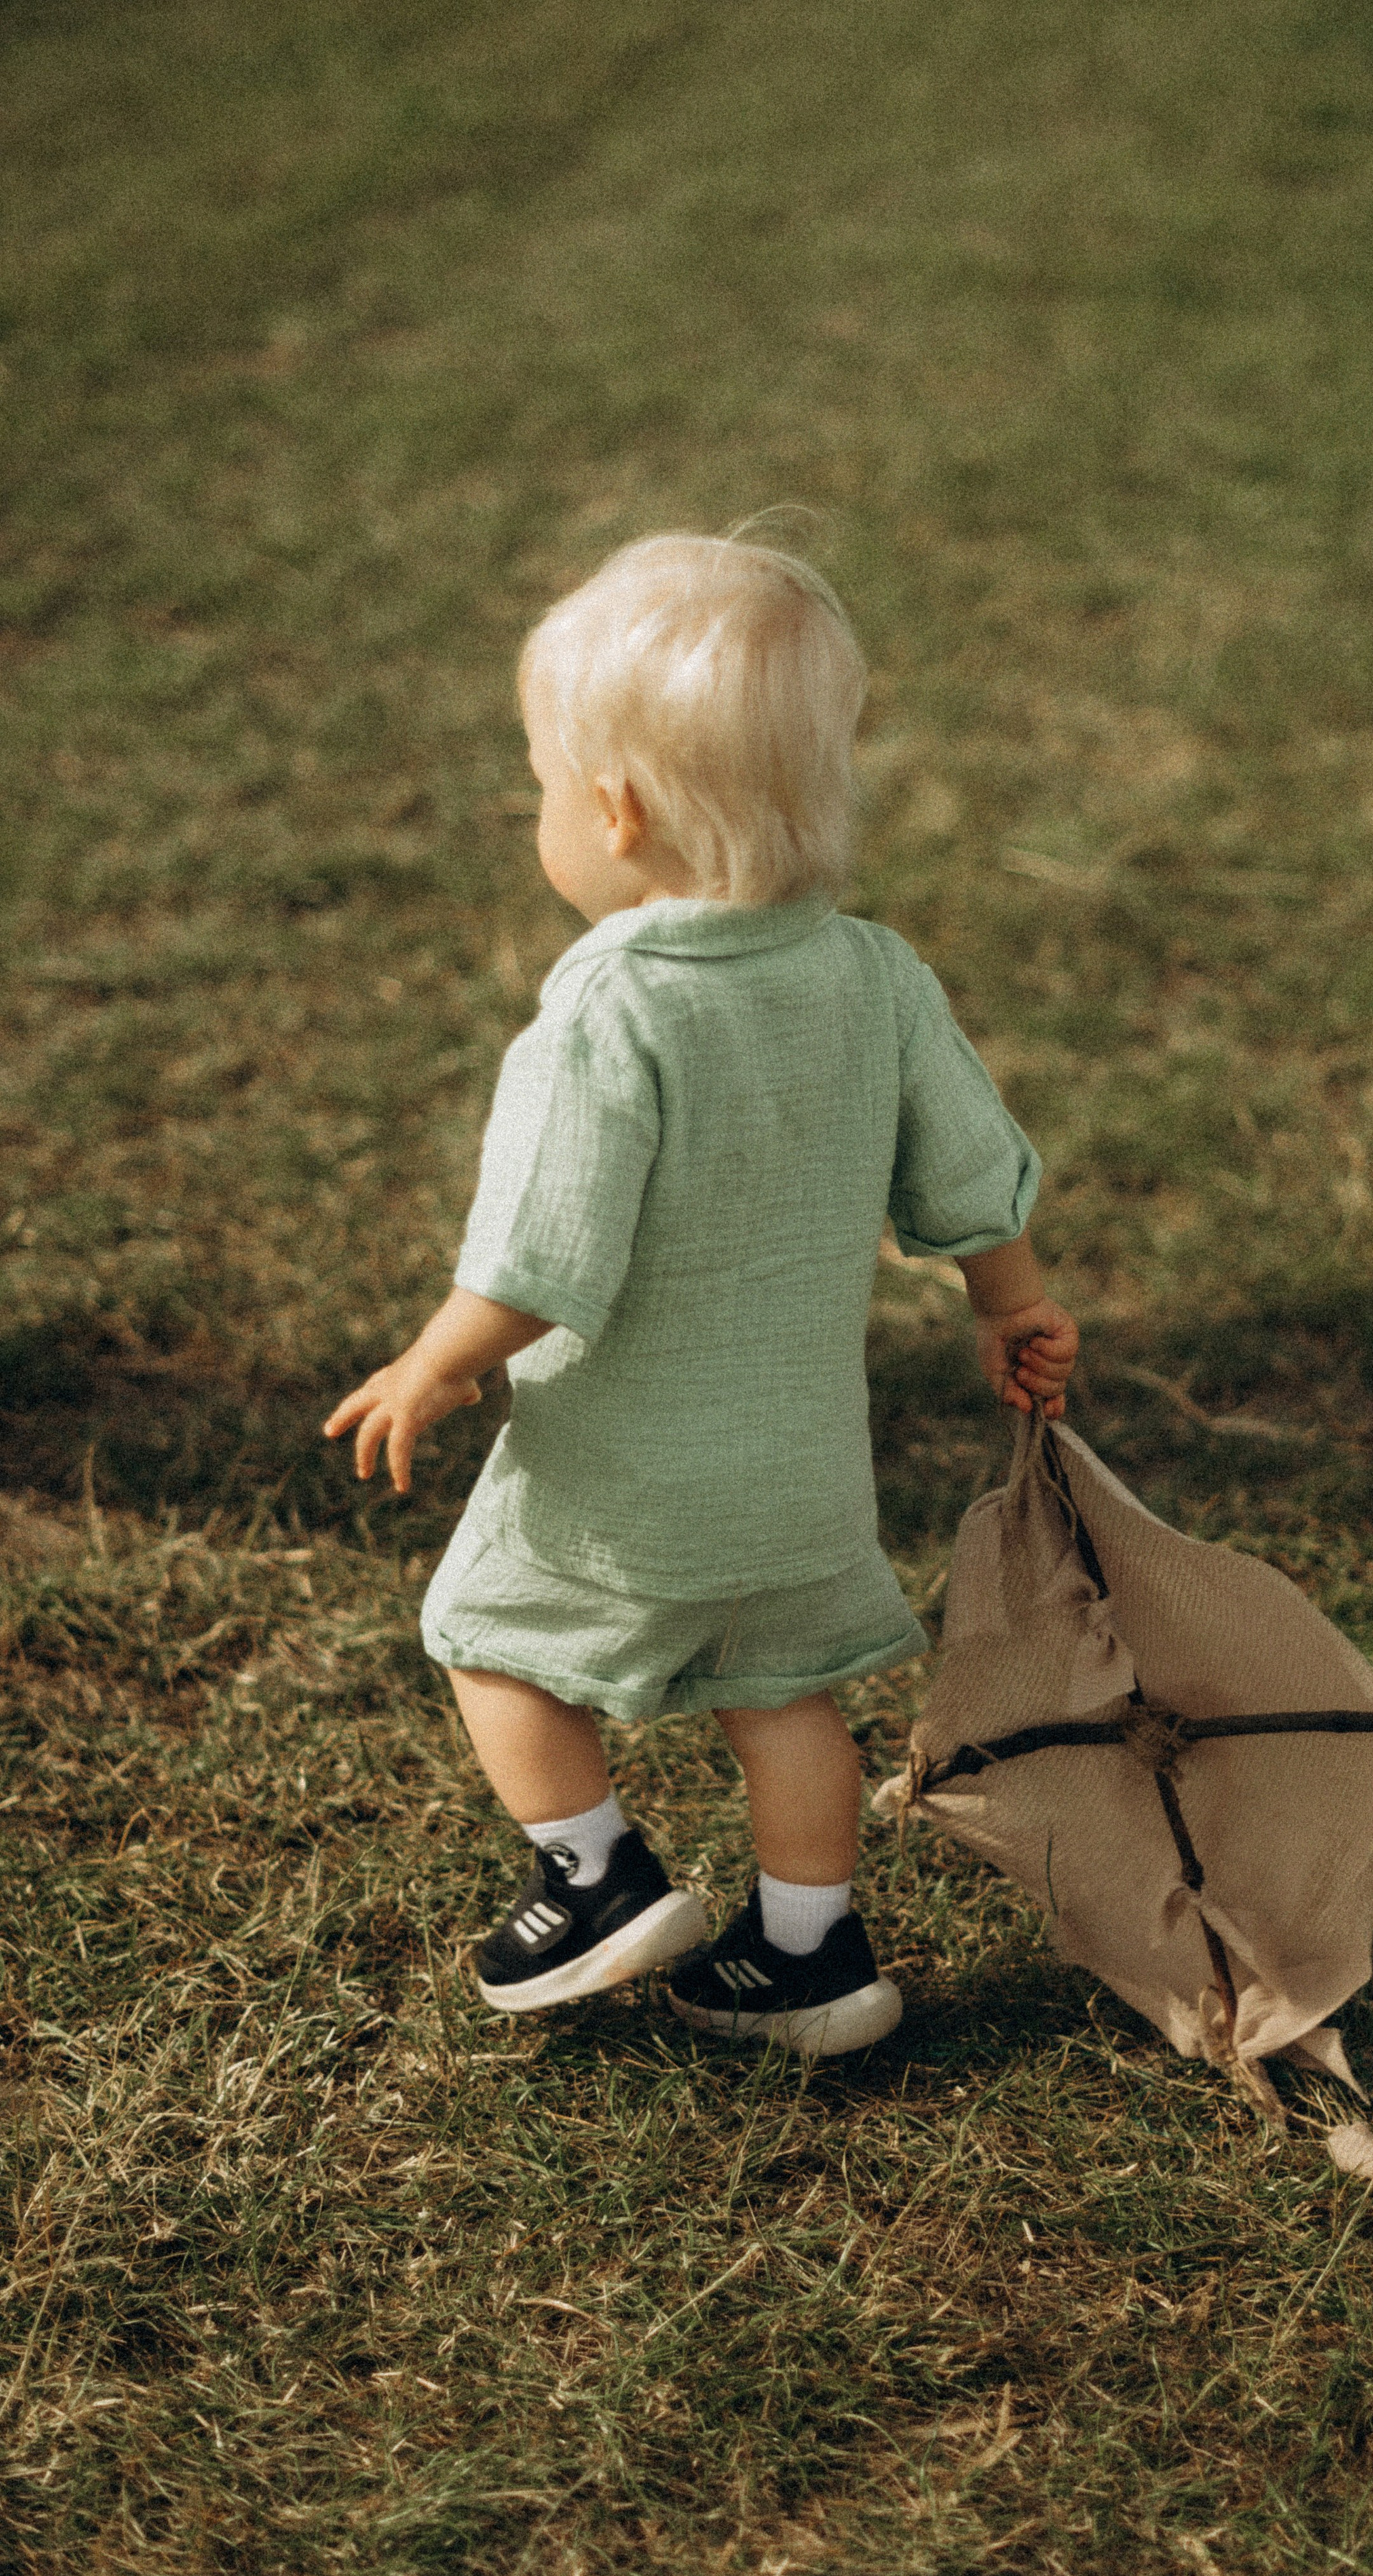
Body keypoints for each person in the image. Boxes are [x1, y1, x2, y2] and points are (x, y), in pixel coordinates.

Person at [324, 531, 1078, 2055]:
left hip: (623, 1467)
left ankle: (595, 1877)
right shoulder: (872, 974)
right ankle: (813, 1954)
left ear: (611, 807)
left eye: (541, 780)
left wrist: (438, 1358)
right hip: (800, 1471)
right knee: (783, 1690)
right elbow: (967, 1169)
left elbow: (546, 1245)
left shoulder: (614, 997)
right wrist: (1011, 1301)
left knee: (486, 1633)